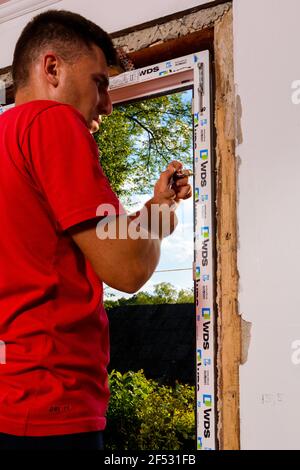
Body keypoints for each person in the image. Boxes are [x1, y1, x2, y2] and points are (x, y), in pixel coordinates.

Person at [0, 10, 192, 450]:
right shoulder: (51, 121)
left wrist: (155, 206)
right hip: (52, 407)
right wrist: (161, 217)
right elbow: (128, 270)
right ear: (52, 68)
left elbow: (69, 242)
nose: (107, 104)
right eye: (100, 84)